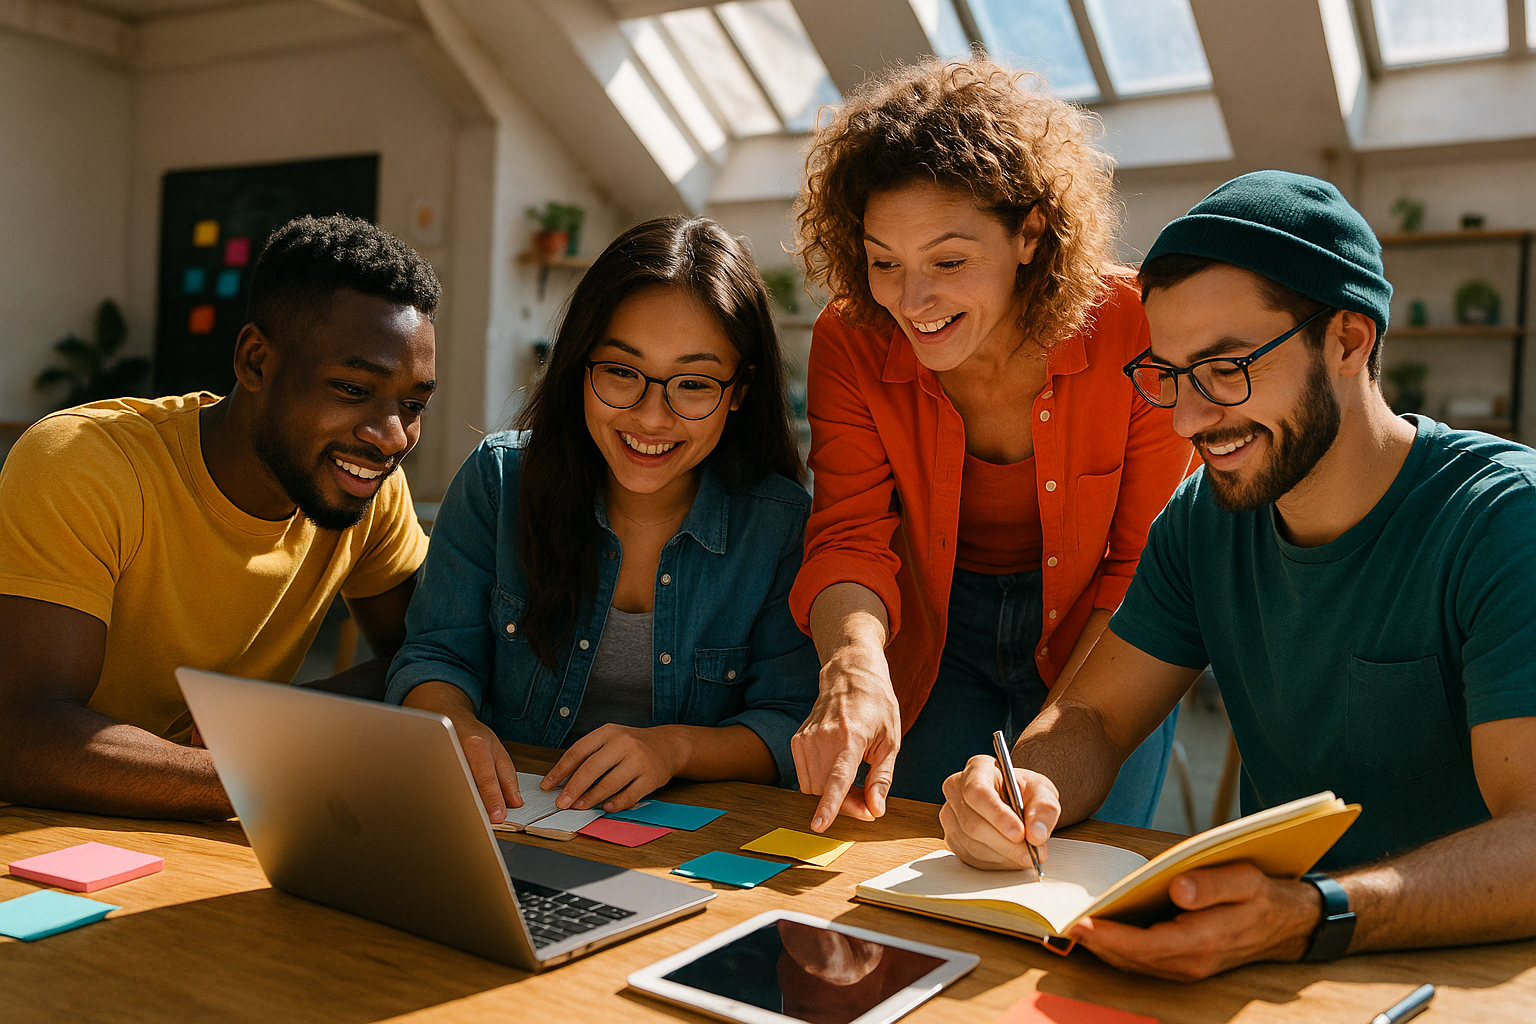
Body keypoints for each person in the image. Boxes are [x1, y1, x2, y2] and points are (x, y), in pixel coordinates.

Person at [940, 170, 1536, 980]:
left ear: (1349, 340)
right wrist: (1021, 788)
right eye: (1172, 375)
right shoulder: (1204, 520)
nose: (1189, 418)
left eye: (1227, 368)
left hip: (1470, 969)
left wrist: (1308, 915)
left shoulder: (1505, 521)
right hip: (1259, 956)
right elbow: (1095, 717)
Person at [787, 57, 1194, 832]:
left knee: (1053, 859)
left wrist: (1054, 747)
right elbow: (849, 535)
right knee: (902, 856)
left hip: (1106, 632)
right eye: (883, 262)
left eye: (948, 261)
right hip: (933, 633)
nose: (912, 301)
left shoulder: (1137, 327)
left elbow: (1143, 566)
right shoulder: (850, 337)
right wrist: (853, 664)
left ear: (1030, 233)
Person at [0, 214, 440, 820]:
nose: (392, 437)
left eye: (413, 404)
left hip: (190, 829)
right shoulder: (84, 464)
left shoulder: (365, 487)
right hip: (31, 836)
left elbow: (428, 658)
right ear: (256, 361)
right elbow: (24, 739)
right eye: (351, 389)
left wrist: (269, 725)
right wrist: (269, 766)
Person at [385, 215, 819, 822]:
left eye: (692, 384)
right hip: (504, 819)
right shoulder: (498, 480)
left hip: (680, 843)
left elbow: (787, 722)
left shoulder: (779, 524)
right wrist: (455, 723)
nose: (650, 418)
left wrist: (674, 748)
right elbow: (435, 658)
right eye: (621, 372)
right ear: (579, 366)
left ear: (739, 391)